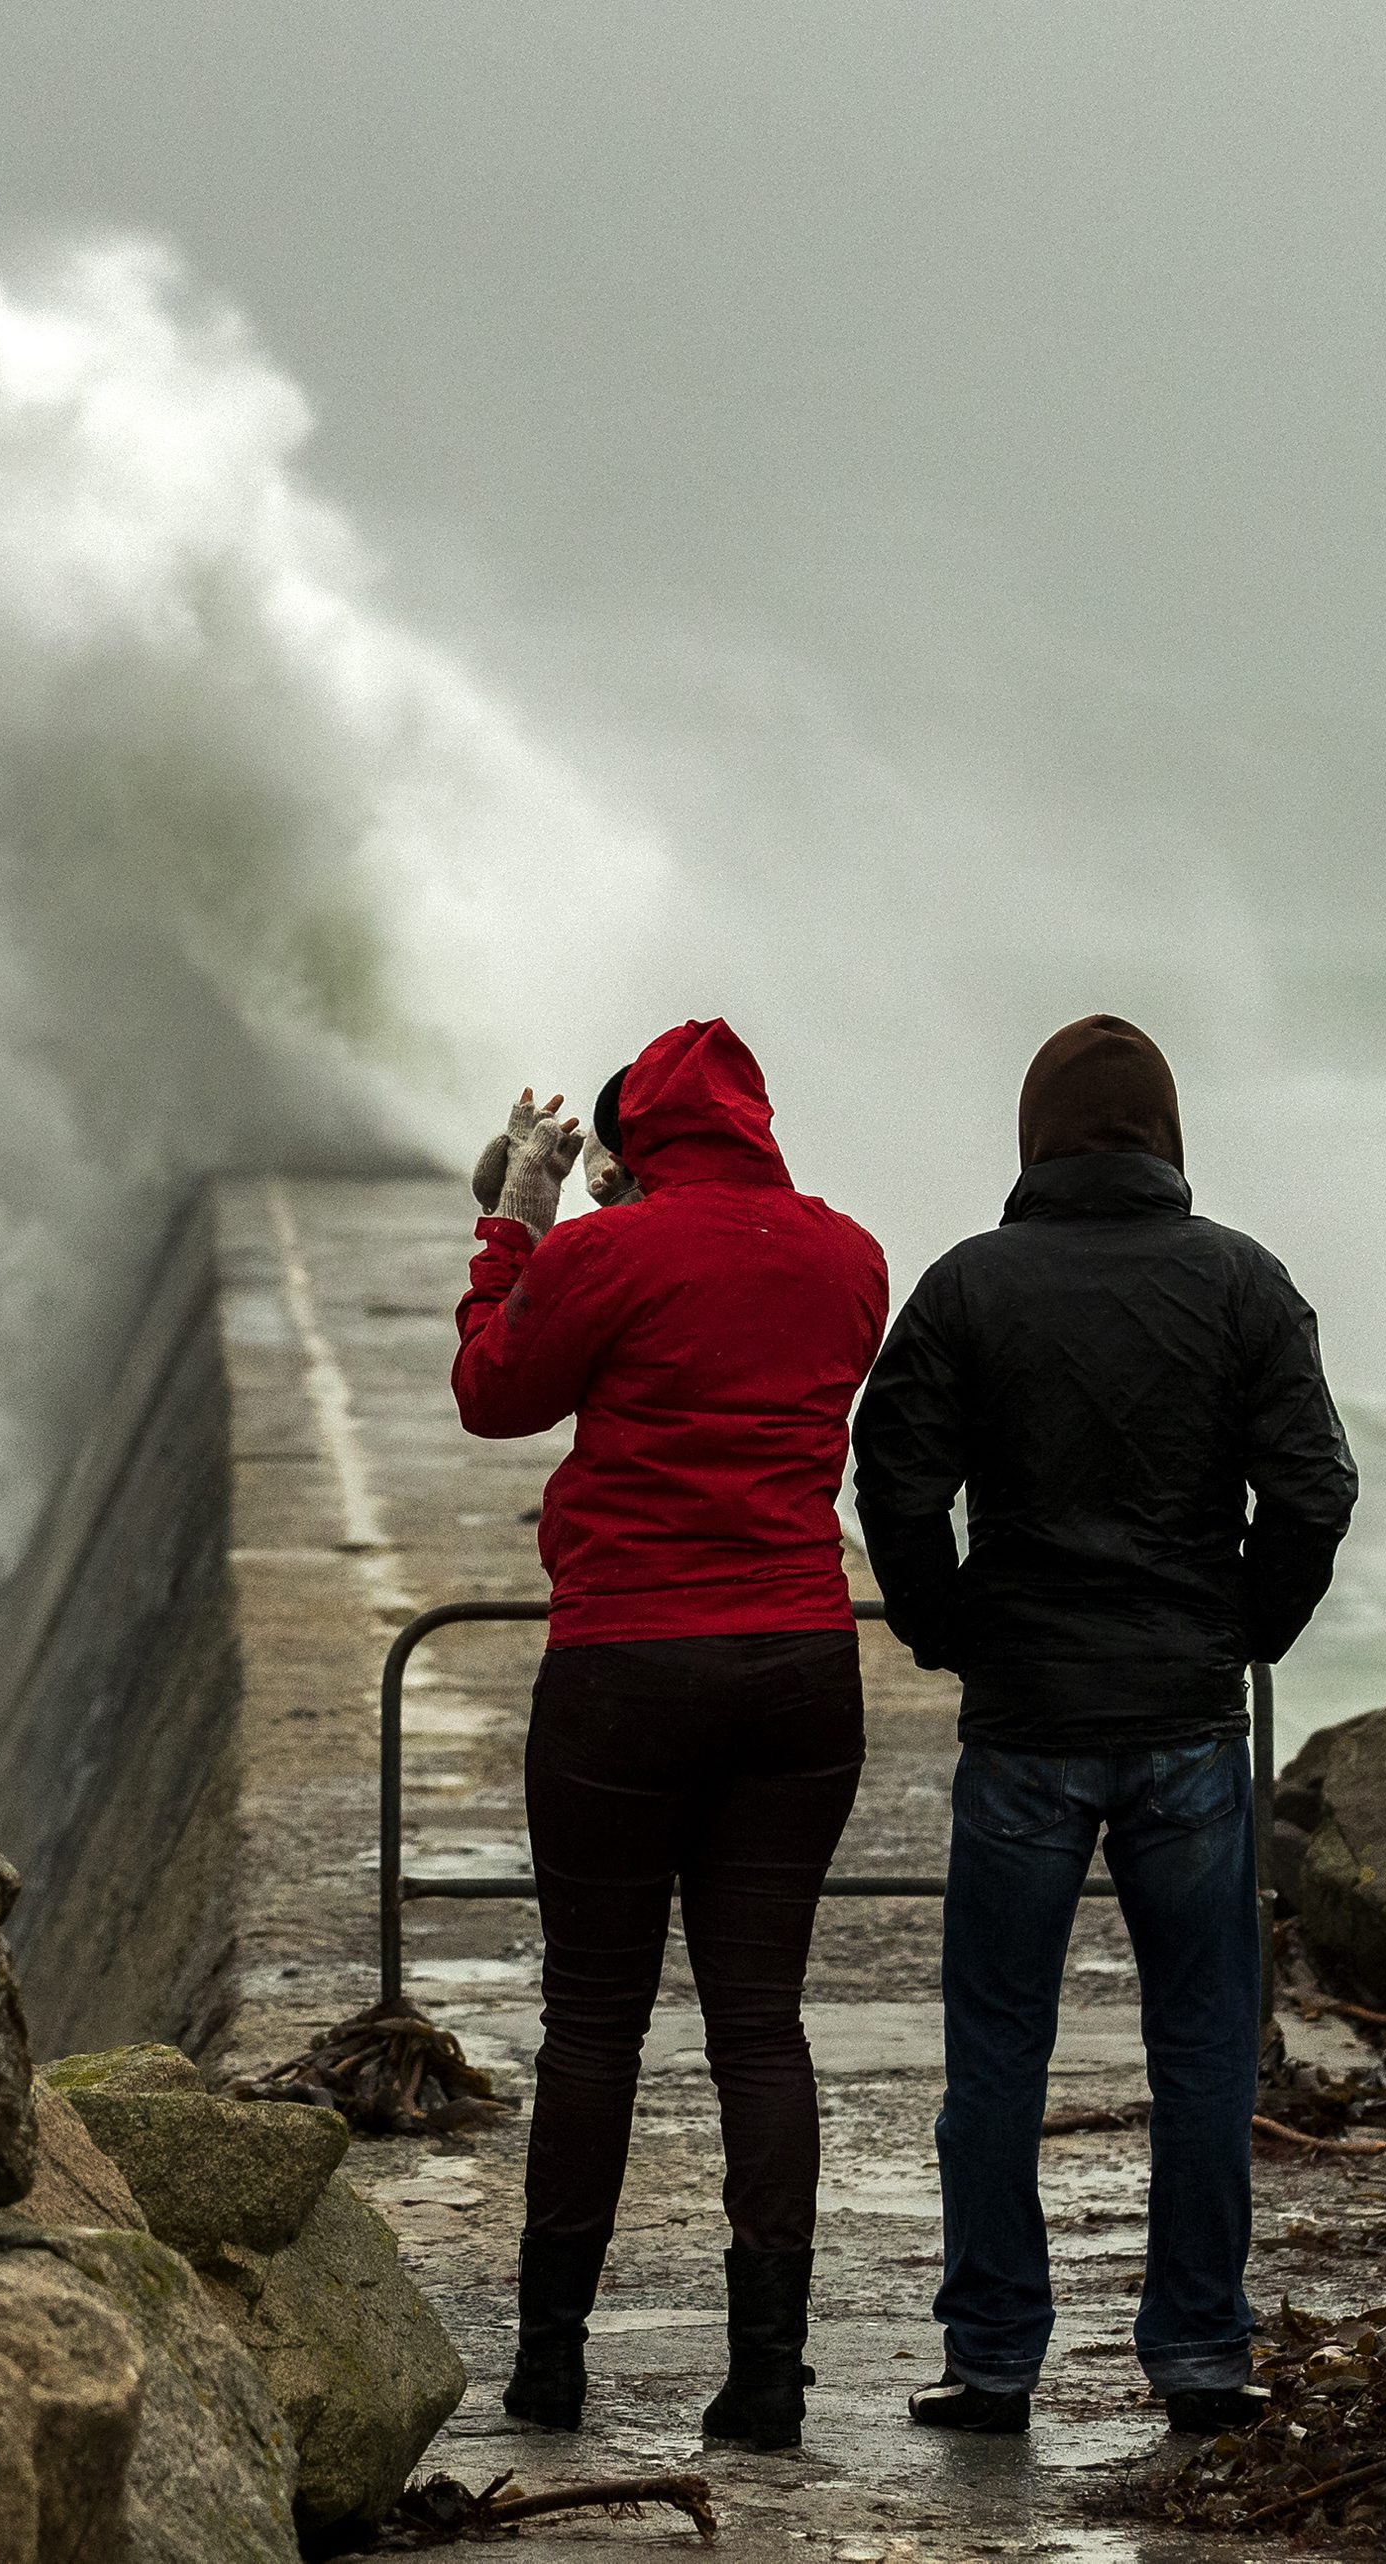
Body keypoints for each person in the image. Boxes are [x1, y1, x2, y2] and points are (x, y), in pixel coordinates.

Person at [851, 1013, 1355, 2439]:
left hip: (1024, 1722)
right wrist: (1244, 1628)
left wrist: (943, 1623)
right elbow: (1315, 1489)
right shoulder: (1243, 1284)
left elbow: (892, 1472)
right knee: (1202, 2049)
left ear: (1036, 1136)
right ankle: (1199, 2354)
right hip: (1188, 1722)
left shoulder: (969, 1289)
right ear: (1169, 1138)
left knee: (997, 2052)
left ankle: (994, 2359)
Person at [451, 1019, 890, 2451]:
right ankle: (768, 2375)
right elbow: (732, 1315)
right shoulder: (850, 1258)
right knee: (760, 2026)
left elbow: (494, 1394)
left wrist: (518, 1231)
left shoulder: (602, 1253)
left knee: (594, 2023)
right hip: (797, 1669)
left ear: (630, 1148)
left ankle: (551, 2369)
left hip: (628, 1668)